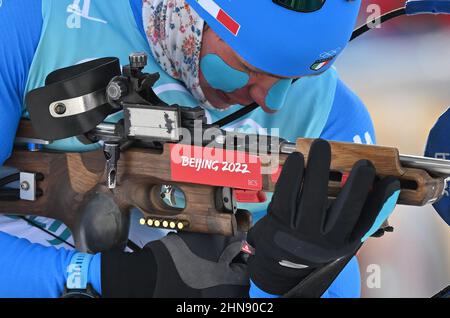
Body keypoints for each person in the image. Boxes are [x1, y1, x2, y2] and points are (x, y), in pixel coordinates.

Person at [0, 0, 400, 298]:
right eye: (246, 67)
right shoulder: (34, 19)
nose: (269, 101)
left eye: (289, 81)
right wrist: (105, 279)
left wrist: (279, 282)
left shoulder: (335, 124)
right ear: (189, 13)